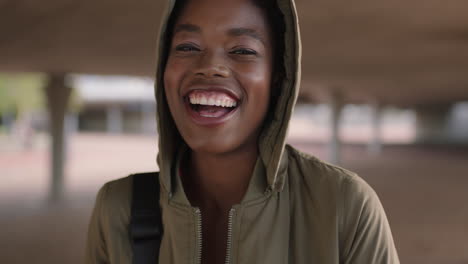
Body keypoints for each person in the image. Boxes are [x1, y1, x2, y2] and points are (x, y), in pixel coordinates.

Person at [85, 0, 400, 263]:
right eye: (187, 46)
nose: (210, 66)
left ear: (278, 78)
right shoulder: (118, 210)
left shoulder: (345, 207)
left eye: (243, 51)